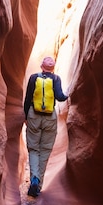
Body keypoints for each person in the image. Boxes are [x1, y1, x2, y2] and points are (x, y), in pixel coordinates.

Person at [23, 56, 68, 197]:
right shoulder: (56, 79)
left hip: (33, 115)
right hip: (50, 118)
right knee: (45, 150)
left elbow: (28, 98)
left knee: (33, 149)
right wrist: (68, 93)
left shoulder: (33, 78)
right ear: (52, 68)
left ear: (42, 66)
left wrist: (26, 116)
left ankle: (34, 178)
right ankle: (38, 185)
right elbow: (60, 97)